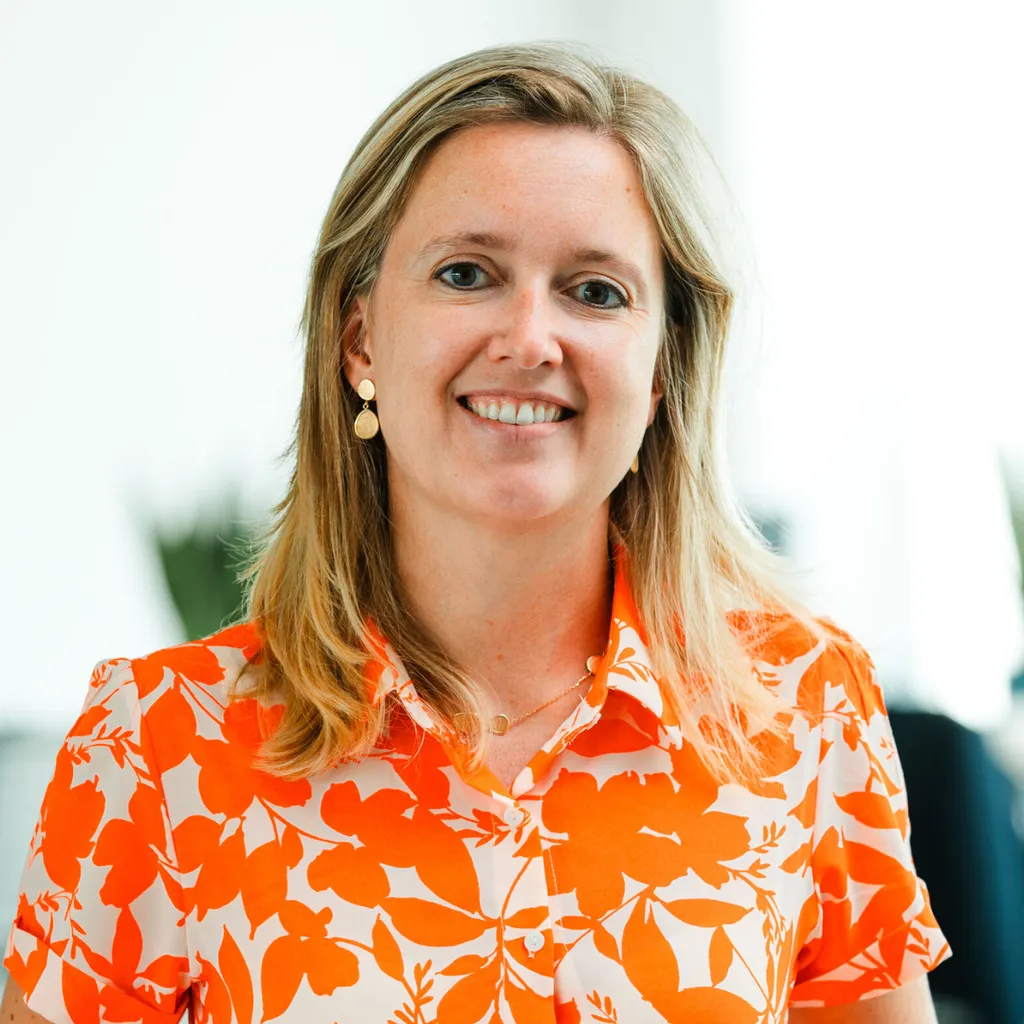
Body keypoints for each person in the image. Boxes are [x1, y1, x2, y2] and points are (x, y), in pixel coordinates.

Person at [2, 40, 949, 1024]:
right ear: (359, 341)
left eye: (596, 290)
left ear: (662, 373)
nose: (530, 340)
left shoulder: (806, 710)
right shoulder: (156, 750)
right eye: (466, 273)